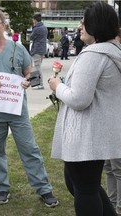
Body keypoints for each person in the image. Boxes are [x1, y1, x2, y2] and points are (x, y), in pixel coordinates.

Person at [0, 3, 58, 208]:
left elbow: (32, 73)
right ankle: (2, 187)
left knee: (29, 149)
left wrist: (28, 81)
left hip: (17, 110)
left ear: (3, 25)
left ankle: (44, 189)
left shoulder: (18, 49)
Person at [48, 2, 121, 215]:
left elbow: (79, 99)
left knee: (85, 190)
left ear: (95, 25)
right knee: (79, 184)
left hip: (86, 136)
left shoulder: (93, 55)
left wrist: (57, 86)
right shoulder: (113, 50)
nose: (81, 27)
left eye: (84, 22)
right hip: (97, 131)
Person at [103, 31, 121, 216]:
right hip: (107, 119)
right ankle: (112, 204)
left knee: (117, 168)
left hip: (116, 119)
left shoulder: (113, 54)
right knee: (108, 166)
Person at [30, 13, 48, 89]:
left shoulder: (36, 28)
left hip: (37, 49)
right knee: (37, 66)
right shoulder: (44, 27)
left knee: (37, 67)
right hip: (42, 49)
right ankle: (36, 83)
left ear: (35, 20)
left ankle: (39, 84)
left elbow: (31, 37)